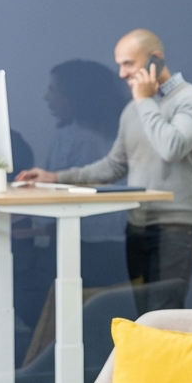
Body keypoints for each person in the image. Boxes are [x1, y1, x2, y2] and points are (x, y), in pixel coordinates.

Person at [17, 30, 192, 306]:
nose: (121, 74)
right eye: (119, 64)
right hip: (137, 225)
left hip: (177, 225)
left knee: (164, 312)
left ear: (155, 59)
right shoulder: (133, 110)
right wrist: (55, 176)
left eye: (129, 64)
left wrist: (145, 101)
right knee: (142, 312)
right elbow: (113, 165)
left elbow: (171, 147)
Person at [41, 59, 130, 286]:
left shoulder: (78, 138)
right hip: (112, 245)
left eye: (53, 90)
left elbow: (63, 193)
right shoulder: (109, 133)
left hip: (87, 246)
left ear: (75, 95)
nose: (47, 98)